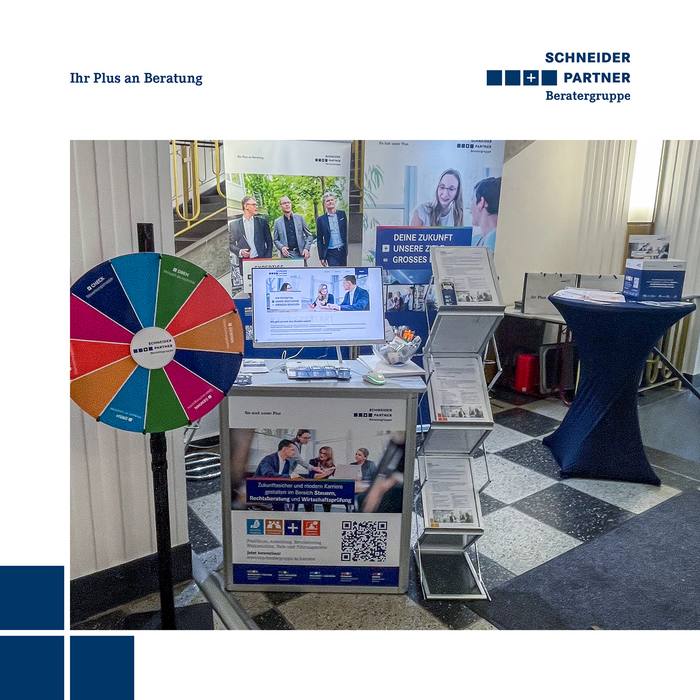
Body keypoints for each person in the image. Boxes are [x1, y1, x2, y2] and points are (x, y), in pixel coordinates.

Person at [229, 195, 273, 269]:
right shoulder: (234, 225)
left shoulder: (262, 222)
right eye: (254, 205)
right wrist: (240, 251)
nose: (256, 207)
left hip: (261, 261)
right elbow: (230, 244)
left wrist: (267, 259)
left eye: (256, 205)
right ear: (246, 206)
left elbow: (269, 242)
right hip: (245, 263)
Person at [254, 439, 298, 510]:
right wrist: (290, 476)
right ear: (284, 449)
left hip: (275, 492)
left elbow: (283, 480)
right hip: (261, 492)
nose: (295, 453)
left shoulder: (287, 463)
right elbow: (268, 475)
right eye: (293, 450)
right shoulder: (268, 459)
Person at [272, 196, 312, 262]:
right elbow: (276, 240)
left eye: (288, 202)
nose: (287, 204)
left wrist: (306, 248)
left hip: (301, 254)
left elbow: (309, 236)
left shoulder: (300, 218)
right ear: (280, 206)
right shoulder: (277, 222)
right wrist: (281, 247)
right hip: (287, 255)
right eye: (284, 203)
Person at [316, 192, 348, 267]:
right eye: (327, 201)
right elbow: (319, 239)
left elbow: (346, 231)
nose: (330, 202)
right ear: (324, 204)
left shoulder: (342, 214)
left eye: (331, 200)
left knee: (344, 271)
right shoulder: (321, 219)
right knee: (334, 271)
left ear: (335, 201)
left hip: (342, 250)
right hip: (330, 252)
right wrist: (321, 257)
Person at [470, 177, 501, 251]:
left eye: (472, 199)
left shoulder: (494, 239)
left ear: (481, 202)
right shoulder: (475, 240)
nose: (470, 206)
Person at [304, 446, 336, 512]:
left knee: (329, 494)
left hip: (324, 486)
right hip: (312, 485)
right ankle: (310, 513)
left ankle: (327, 513)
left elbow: (335, 475)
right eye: (320, 452)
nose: (321, 455)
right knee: (308, 496)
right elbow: (314, 476)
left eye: (324, 453)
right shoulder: (313, 461)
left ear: (329, 455)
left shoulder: (331, 465)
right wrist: (326, 473)